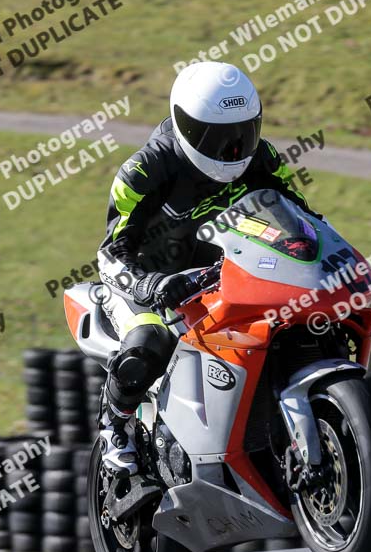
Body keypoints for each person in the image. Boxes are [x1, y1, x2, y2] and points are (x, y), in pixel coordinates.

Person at [97, 61, 320, 476]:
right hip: (148, 282)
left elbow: (306, 220)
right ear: (185, 125)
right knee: (150, 340)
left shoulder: (264, 158)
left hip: (226, 277)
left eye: (242, 134)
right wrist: (149, 284)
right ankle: (115, 425)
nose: (232, 150)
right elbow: (110, 252)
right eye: (217, 138)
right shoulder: (145, 170)